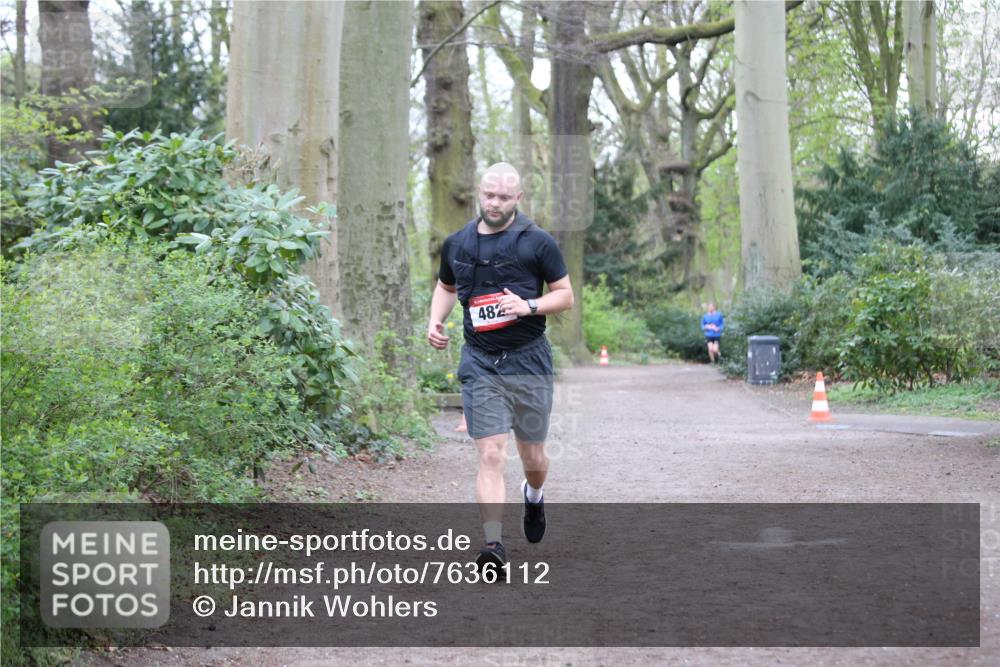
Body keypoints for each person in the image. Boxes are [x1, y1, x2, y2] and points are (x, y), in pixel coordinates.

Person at [426, 162, 574, 574]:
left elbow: (565, 295)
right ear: (479, 191)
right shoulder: (456, 244)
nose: (495, 203)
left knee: (534, 457)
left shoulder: (538, 243)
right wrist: (434, 319)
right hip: (479, 361)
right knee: (491, 453)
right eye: (489, 195)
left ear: (519, 198)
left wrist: (529, 305)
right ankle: (492, 544)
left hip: (529, 360)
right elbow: (446, 286)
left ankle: (534, 495)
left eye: (504, 197)